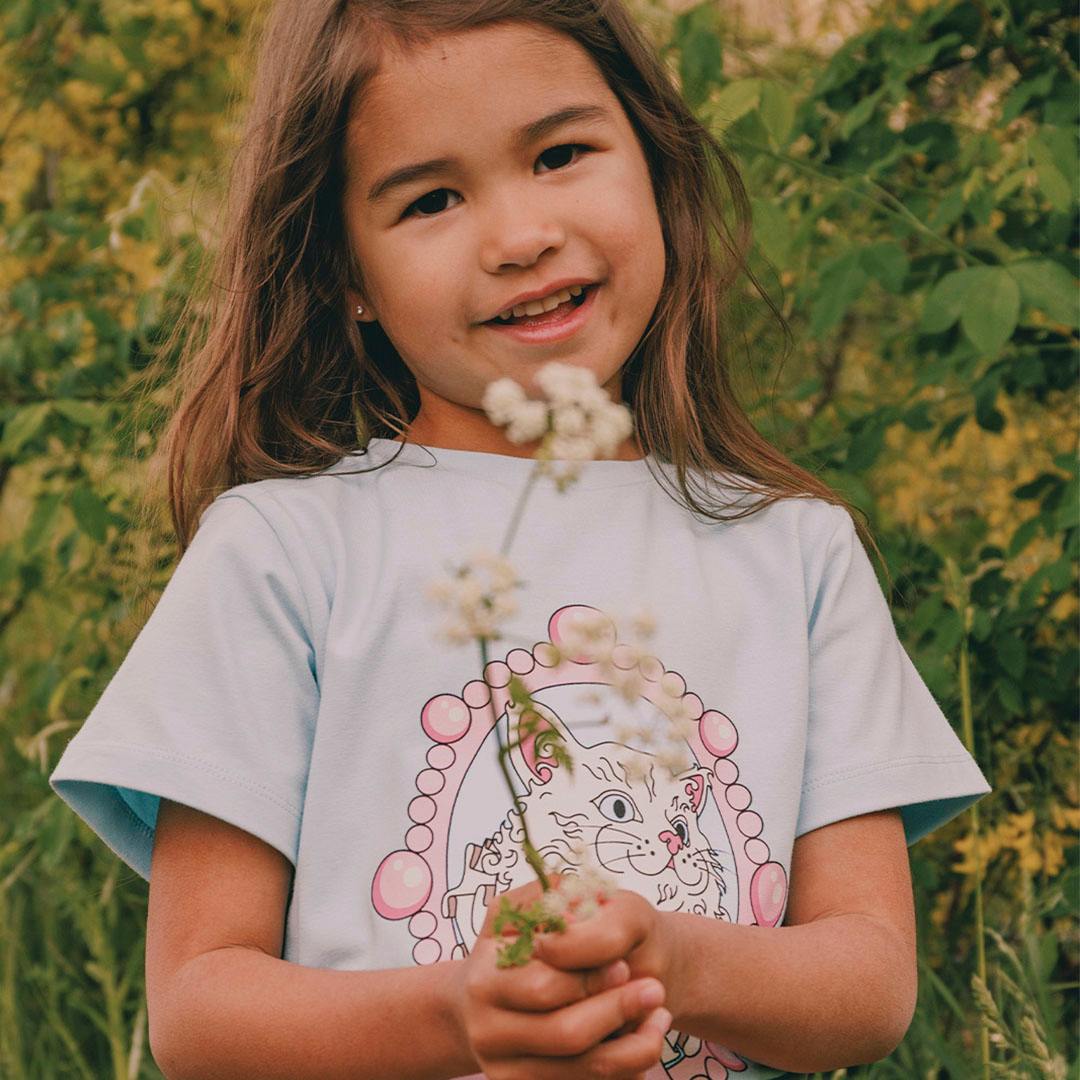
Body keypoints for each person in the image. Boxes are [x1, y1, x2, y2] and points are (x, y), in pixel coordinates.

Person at [49, 2, 992, 1078]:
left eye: (561, 153)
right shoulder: (280, 552)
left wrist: (670, 956)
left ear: (655, 163)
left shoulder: (797, 552)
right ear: (344, 270)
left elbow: (870, 985)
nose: (520, 237)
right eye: (432, 199)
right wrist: (462, 1013)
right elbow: (198, 1010)